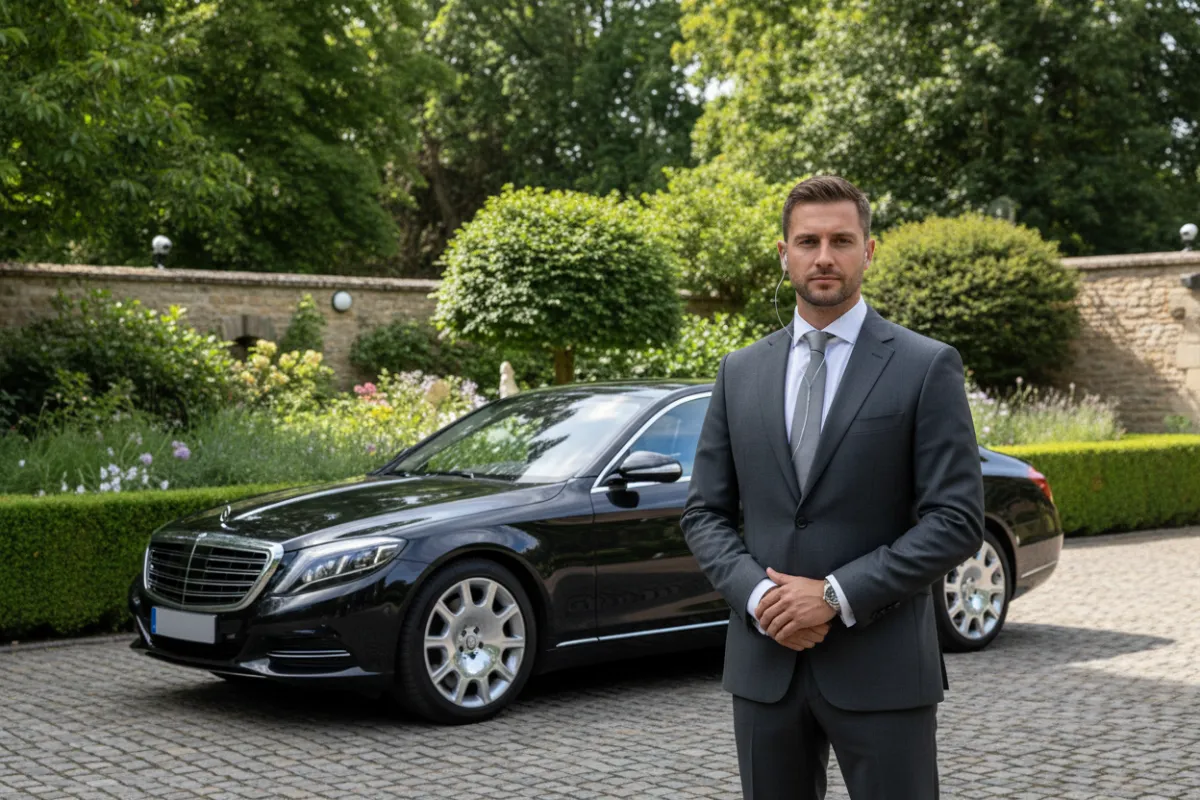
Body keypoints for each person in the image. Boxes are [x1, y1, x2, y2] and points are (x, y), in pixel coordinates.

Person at [681, 175, 985, 799]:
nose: (824, 256)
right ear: (783, 252)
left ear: (868, 251)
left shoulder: (925, 365)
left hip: (883, 667)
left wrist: (835, 594)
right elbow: (704, 513)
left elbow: (955, 519)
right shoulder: (740, 372)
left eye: (841, 240)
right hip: (765, 669)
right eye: (808, 241)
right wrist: (763, 598)